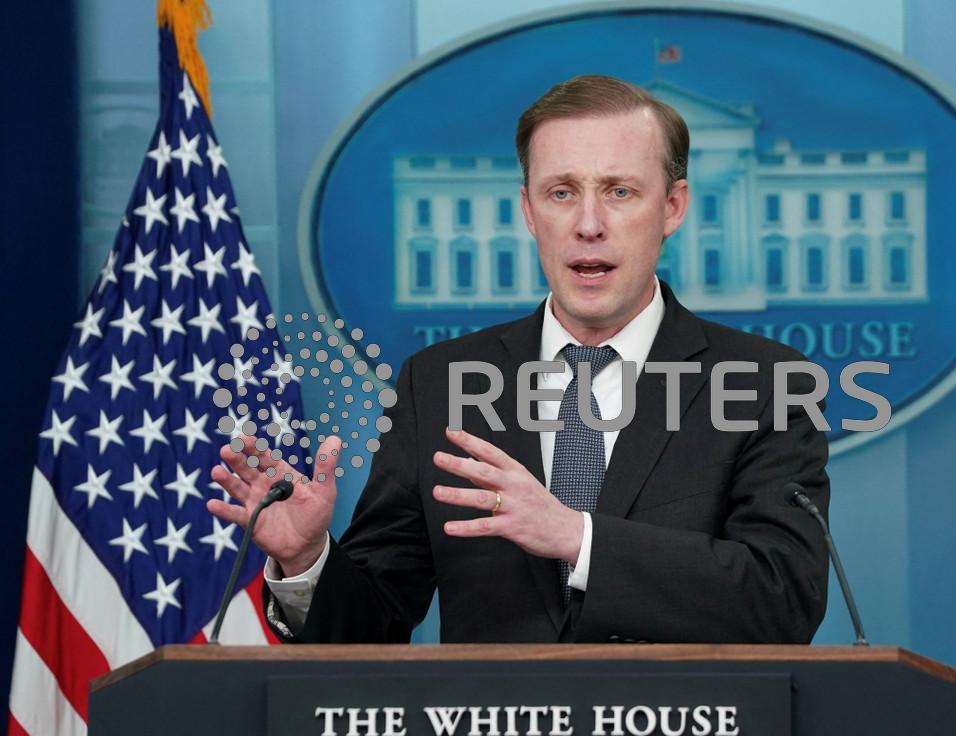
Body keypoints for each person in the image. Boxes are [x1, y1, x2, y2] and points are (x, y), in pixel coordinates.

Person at [207, 75, 830, 644]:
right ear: (530, 211)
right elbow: (370, 628)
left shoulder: (765, 385)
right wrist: (308, 559)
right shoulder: (440, 384)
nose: (589, 224)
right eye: (562, 192)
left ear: (672, 207)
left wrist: (577, 538)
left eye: (619, 191)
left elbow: (785, 597)